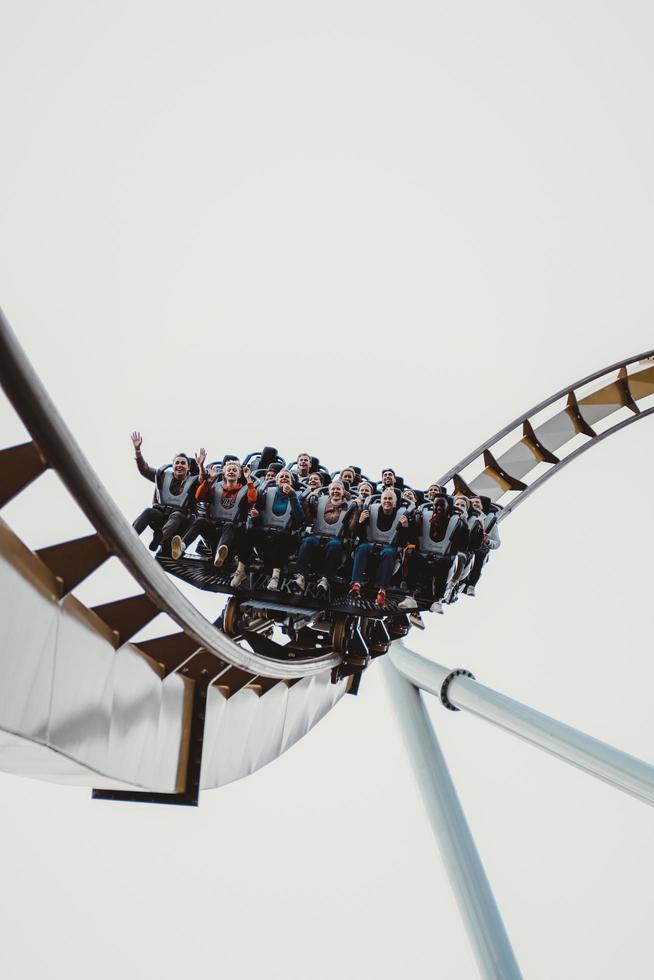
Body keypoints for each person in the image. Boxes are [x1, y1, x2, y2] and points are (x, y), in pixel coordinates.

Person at [170, 459, 257, 565]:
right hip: (214, 531)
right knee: (200, 521)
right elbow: (199, 496)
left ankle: (220, 554)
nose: (231, 472)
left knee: (230, 525)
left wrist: (248, 479)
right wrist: (209, 480)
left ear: (239, 475)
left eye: (234, 470)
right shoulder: (216, 488)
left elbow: (252, 499)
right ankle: (181, 547)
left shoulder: (243, 491)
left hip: (231, 536)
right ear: (224, 474)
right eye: (229, 470)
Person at [231, 467, 305, 590]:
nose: (284, 478)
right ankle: (241, 570)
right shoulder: (267, 493)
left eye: (287, 477)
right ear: (277, 481)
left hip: (285, 538)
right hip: (266, 537)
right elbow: (258, 515)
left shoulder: (297, 496)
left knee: (281, 535)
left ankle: (275, 576)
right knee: (250, 531)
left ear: (291, 482)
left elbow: (300, 519)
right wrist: (256, 515)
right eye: (281, 476)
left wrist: (292, 496)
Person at [130, 432, 204, 554]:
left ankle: (159, 540)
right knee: (148, 511)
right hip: (160, 515)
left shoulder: (194, 481)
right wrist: (137, 451)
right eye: (177, 463)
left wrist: (200, 465)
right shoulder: (163, 476)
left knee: (177, 516)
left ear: (188, 467)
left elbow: (203, 479)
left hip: (181, 520)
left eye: (183, 463)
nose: (180, 465)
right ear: (173, 465)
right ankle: (130, 536)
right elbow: (145, 470)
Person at [399, 495, 469, 614]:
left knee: (447, 562)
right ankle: (410, 596)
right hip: (424, 553)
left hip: (443, 556)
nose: (438, 508)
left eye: (442, 505)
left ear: (448, 507)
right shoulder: (424, 517)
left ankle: (437, 600)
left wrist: (465, 527)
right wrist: (409, 523)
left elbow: (463, 544)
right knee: (412, 555)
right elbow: (412, 537)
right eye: (436, 505)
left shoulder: (456, 522)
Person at [290, 479, 357, 593]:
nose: (335, 491)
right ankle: (301, 576)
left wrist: (358, 510)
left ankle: (326, 579)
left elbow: (351, 528)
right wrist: (308, 503)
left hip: (336, 537)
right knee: (307, 541)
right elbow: (308, 520)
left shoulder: (351, 505)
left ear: (343, 491)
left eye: (338, 489)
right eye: (333, 489)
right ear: (329, 491)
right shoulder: (320, 501)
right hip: (318, 534)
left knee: (334, 545)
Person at [349, 487, 410, 607]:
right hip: (370, 543)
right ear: (380, 500)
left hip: (389, 546)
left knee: (389, 553)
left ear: (395, 502)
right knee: (362, 548)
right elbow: (359, 535)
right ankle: (356, 584)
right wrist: (360, 522)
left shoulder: (401, 515)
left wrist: (405, 527)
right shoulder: (372, 511)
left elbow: (402, 542)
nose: (387, 501)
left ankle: (382, 590)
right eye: (385, 498)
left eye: (390, 499)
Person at [462, 496, 501, 596]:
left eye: (477, 502)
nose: (475, 504)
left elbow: (497, 543)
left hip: (478, 548)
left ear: (482, 506)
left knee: (480, 553)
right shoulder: (464, 515)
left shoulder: (489, 521)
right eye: (472, 502)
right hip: (462, 543)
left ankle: (471, 585)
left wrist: (488, 541)